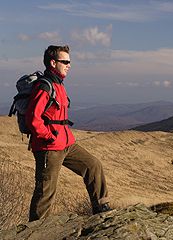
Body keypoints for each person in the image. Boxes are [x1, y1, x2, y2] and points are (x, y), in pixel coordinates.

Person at [26, 45, 111, 221]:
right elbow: (33, 119)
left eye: (69, 62)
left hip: (66, 144)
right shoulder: (44, 86)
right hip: (49, 147)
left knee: (93, 165)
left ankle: (102, 207)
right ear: (52, 62)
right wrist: (49, 137)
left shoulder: (59, 84)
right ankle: (35, 231)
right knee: (46, 190)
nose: (69, 65)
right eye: (65, 61)